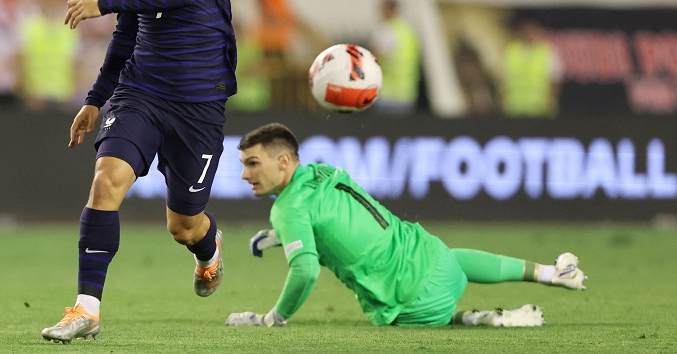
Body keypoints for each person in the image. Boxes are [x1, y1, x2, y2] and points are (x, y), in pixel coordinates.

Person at [41, 0, 237, 344]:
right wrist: (94, 100)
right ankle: (86, 309)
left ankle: (209, 253)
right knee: (107, 180)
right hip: (141, 93)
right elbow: (125, 38)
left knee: (184, 224)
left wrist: (104, 3)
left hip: (199, 104)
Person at [226, 123, 587, 328]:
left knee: (419, 317)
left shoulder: (288, 210)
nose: (245, 174)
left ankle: (483, 319)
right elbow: (330, 220)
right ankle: (552, 273)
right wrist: (278, 237)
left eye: (253, 163)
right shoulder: (324, 172)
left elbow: (305, 271)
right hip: (431, 257)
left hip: (408, 300)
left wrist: (272, 319)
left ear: (284, 160)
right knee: (453, 258)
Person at [370, 0, 421, 114]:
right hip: (408, 93)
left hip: (388, 94)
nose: (381, 13)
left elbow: (375, 60)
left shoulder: (387, 31)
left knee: (382, 131)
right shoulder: (409, 30)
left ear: (391, 10)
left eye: (383, 9)